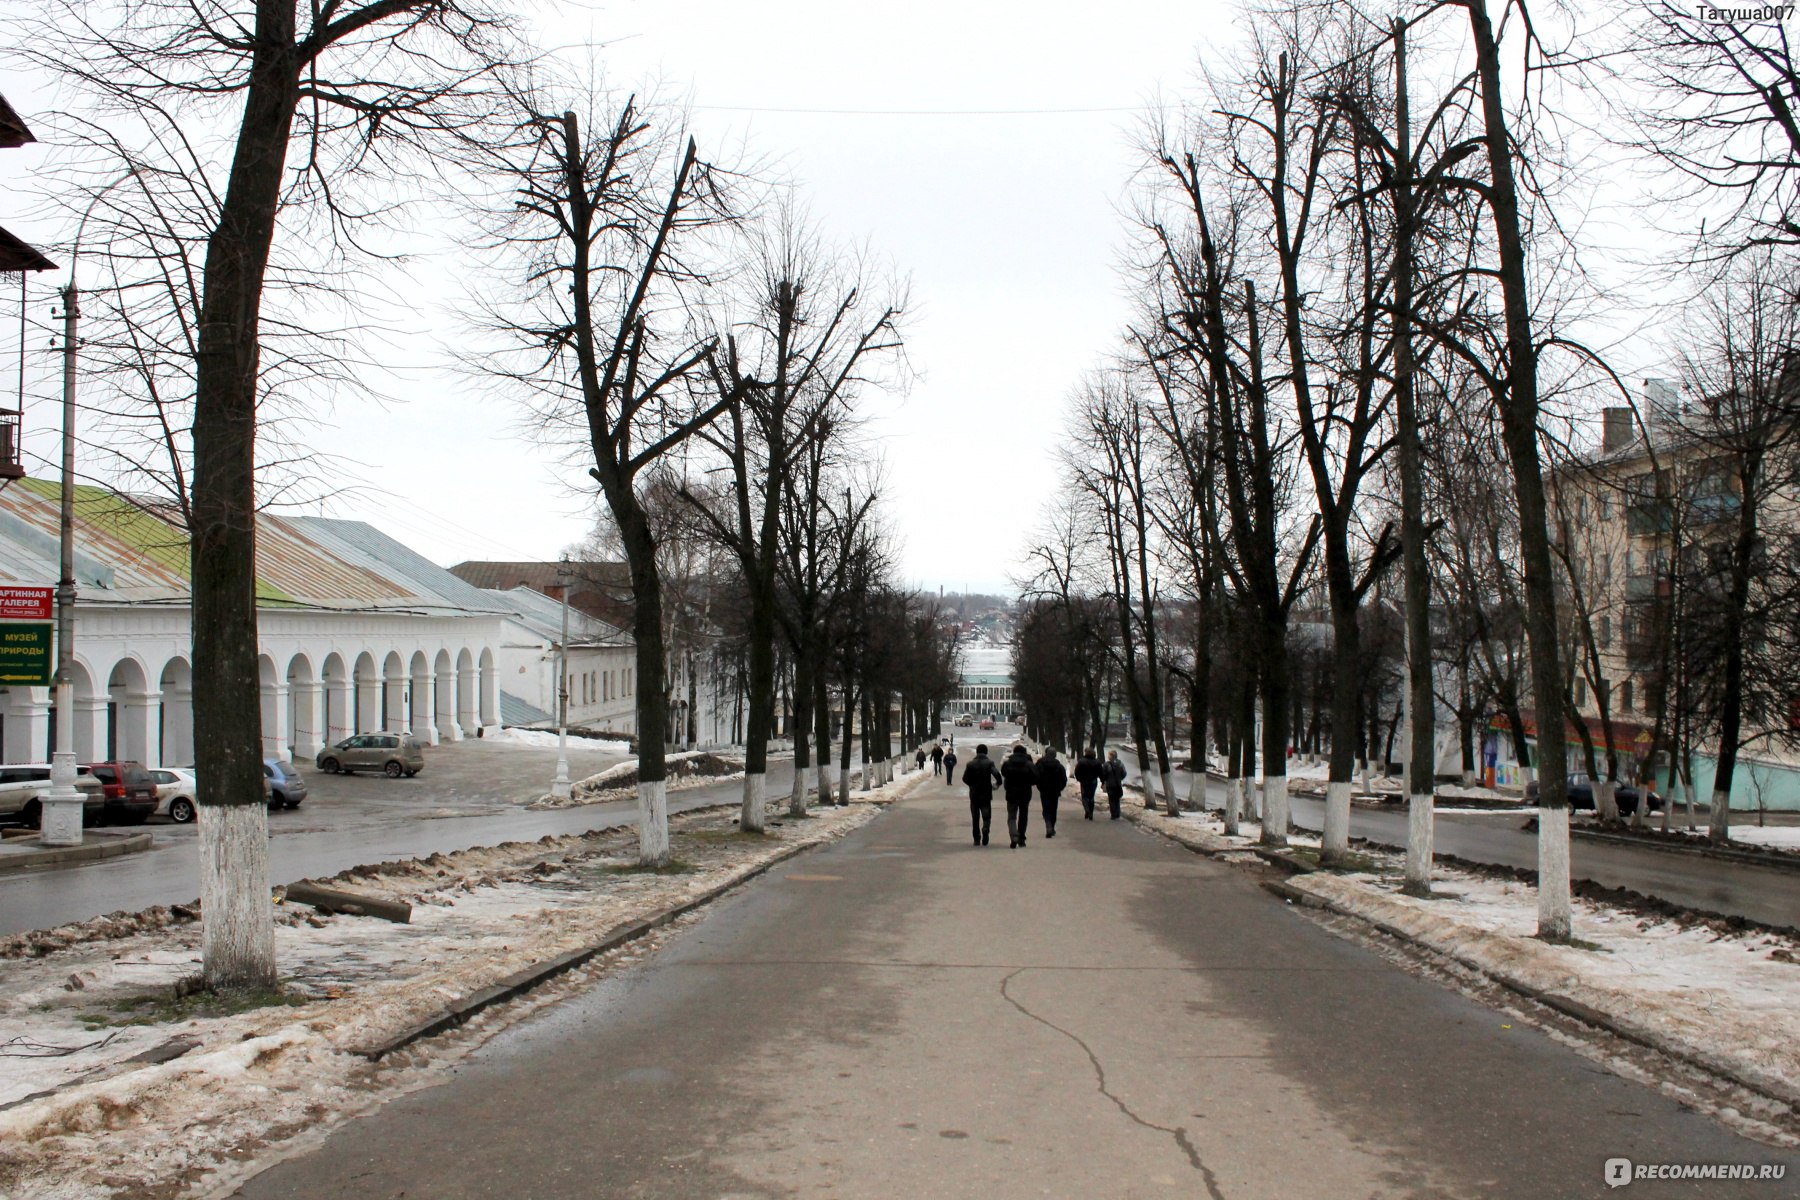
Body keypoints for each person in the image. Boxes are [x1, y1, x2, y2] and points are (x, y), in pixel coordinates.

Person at [960, 743, 1001, 846]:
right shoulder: (989, 763)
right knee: (986, 816)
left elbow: (965, 778)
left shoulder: (970, 764)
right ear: (986, 752)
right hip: (986, 793)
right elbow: (997, 775)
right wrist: (997, 784)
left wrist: (972, 785)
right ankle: (986, 829)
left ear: (977, 752)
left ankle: (976, 839)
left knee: (975, 818)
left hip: (974, 794)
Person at [1000, 744, 1037, 848]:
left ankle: (1013, 835)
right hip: (1025, 793)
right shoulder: (1029, 764)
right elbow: (1035, 778)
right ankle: (1021, 838)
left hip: (1011, 793)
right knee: (1023, 816)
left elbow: (1003, 773)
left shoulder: (1007, 764)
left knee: (1011, 816)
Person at [1034, 746, 1069, 838]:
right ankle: (1052, 827)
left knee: (1046, 809)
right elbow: (1064, 779)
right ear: (1055, 755)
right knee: (1053, 809)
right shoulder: (1059, 766)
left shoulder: (1040, 764)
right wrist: (1060, 788)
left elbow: (1036, 776)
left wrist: (1040, 786)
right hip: (1055, 791)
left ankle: (1048, 825)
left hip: (1044, 790)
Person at [1074, 748, 1102, 820]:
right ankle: (1091, 813)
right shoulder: (1097, 762)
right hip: (1093, 781)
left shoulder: (1081, 761)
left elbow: (1076, 771)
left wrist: (1078, 778)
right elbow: (1100, 772)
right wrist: (1102, 780)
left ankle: (1087, 811)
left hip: (1084, 781)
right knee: (1091, 797)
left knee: (1084, 797)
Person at [1101, 749, 1128, 820]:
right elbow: (1124, 773)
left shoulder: (1106, 764)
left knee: (1111, 799)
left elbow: (1103, 774)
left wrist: (1105, 780)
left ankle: (1113, 814)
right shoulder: (1120, 763)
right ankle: (1118, 813)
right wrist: (1119, 778)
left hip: (1110, 784)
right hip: (1118, 784)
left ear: (1112, 756)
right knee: (1117, 798)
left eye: (1109, 755)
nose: (1108, 756)